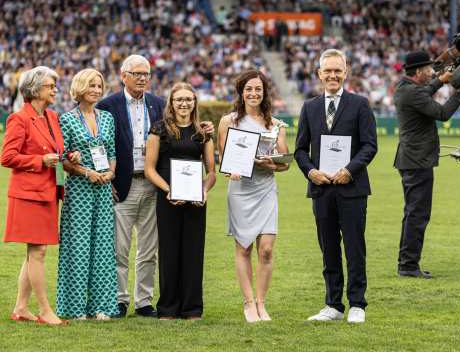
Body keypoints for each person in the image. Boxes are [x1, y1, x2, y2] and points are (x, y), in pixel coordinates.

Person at [295, 49, 377, 323]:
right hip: (321, 189)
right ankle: (333, 304)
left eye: (337, 70)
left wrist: (349, 171)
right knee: (328, 248)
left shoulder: (360, 104)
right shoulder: (309, 107)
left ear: (346, 73)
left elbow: (369, 146)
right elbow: (300, 150)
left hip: (351, 188)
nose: (332, 75)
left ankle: (357, 304)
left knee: (354, 247)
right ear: (319, 74)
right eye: (327, 71)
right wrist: (311, 172)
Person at [0, 66, 80, 326]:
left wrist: (68, 156)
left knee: (35, 252)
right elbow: (7, 157)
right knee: (38, 252)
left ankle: (21, 307)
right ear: (34, 90)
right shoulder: (18, 119)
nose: (55, 89)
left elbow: (56, 149)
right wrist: (39, 161)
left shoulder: (51, 116)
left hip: (47, 192)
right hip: (28, 195)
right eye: (50, 86)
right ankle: (45, 311)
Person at [95, 54, 165, 318]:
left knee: (149, 249)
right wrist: (107, 177)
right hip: (121, 185)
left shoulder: (158, 104)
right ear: (123, 76)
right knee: (119, 249)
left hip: (152, 184)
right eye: (137, 74)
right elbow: (97, 145)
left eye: (146, 74)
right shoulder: (107, 105)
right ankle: (119, 299)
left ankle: (144, 301)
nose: (142, 78)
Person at [217, 70, 290, 323]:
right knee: (244, 248)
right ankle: (248, 304)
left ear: (264, 92)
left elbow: (285, 163)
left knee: (267, 250)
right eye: (249, 89)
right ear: (241, 92)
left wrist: (272, 164)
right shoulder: (228, 121)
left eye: (258, 89)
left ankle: (261, 302)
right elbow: (224, 160)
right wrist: (232, 171)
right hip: (240, 191)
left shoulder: (276, 124)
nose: (253, 93)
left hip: (266, 189)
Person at [144, 82, 216, 320]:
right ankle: (168, 308)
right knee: (169, 253)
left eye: (188, 99)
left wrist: (204, 190)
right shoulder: (159, 129)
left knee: (194, 253)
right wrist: (169, 190)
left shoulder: (202, 132)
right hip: (168, 200)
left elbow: (211, 172)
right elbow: (149, 169)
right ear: (171, 103)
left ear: (194, 102)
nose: (184, 103)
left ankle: (192, 308)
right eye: (179, 100)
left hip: (196, 202)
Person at [394, 51, 460, 279]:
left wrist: (439, 82)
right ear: (418, 72)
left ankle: (407, 262)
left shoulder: (406, 87)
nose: (431, 72)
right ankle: (408, 265)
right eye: (428, 70)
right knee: (418, 214)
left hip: (412, 159)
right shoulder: (412, 92)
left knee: (413, 212)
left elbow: (424, 91)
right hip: (417, 161)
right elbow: (442, 113)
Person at [56, 68, 119, 320]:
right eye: (91, 85)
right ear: (80, 88)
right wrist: (85, 172)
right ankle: (74, 309)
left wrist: (111, 173)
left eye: (99, 85)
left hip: (103, 189)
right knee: (78, 248)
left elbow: (112, 151)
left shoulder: (107, 118)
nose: (96, 89)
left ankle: (101, 307)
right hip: (79, 191)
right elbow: (64, 159)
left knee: (103, 247)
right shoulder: (67, 119)